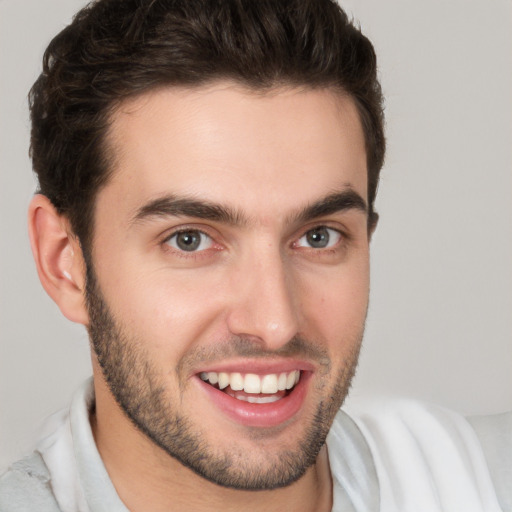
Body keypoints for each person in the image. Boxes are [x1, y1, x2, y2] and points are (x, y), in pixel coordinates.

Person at [0, 0, 509, 511]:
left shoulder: (482, 481)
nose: (275, 323)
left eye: (318, 237)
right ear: (65, 262)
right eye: (190, 240)